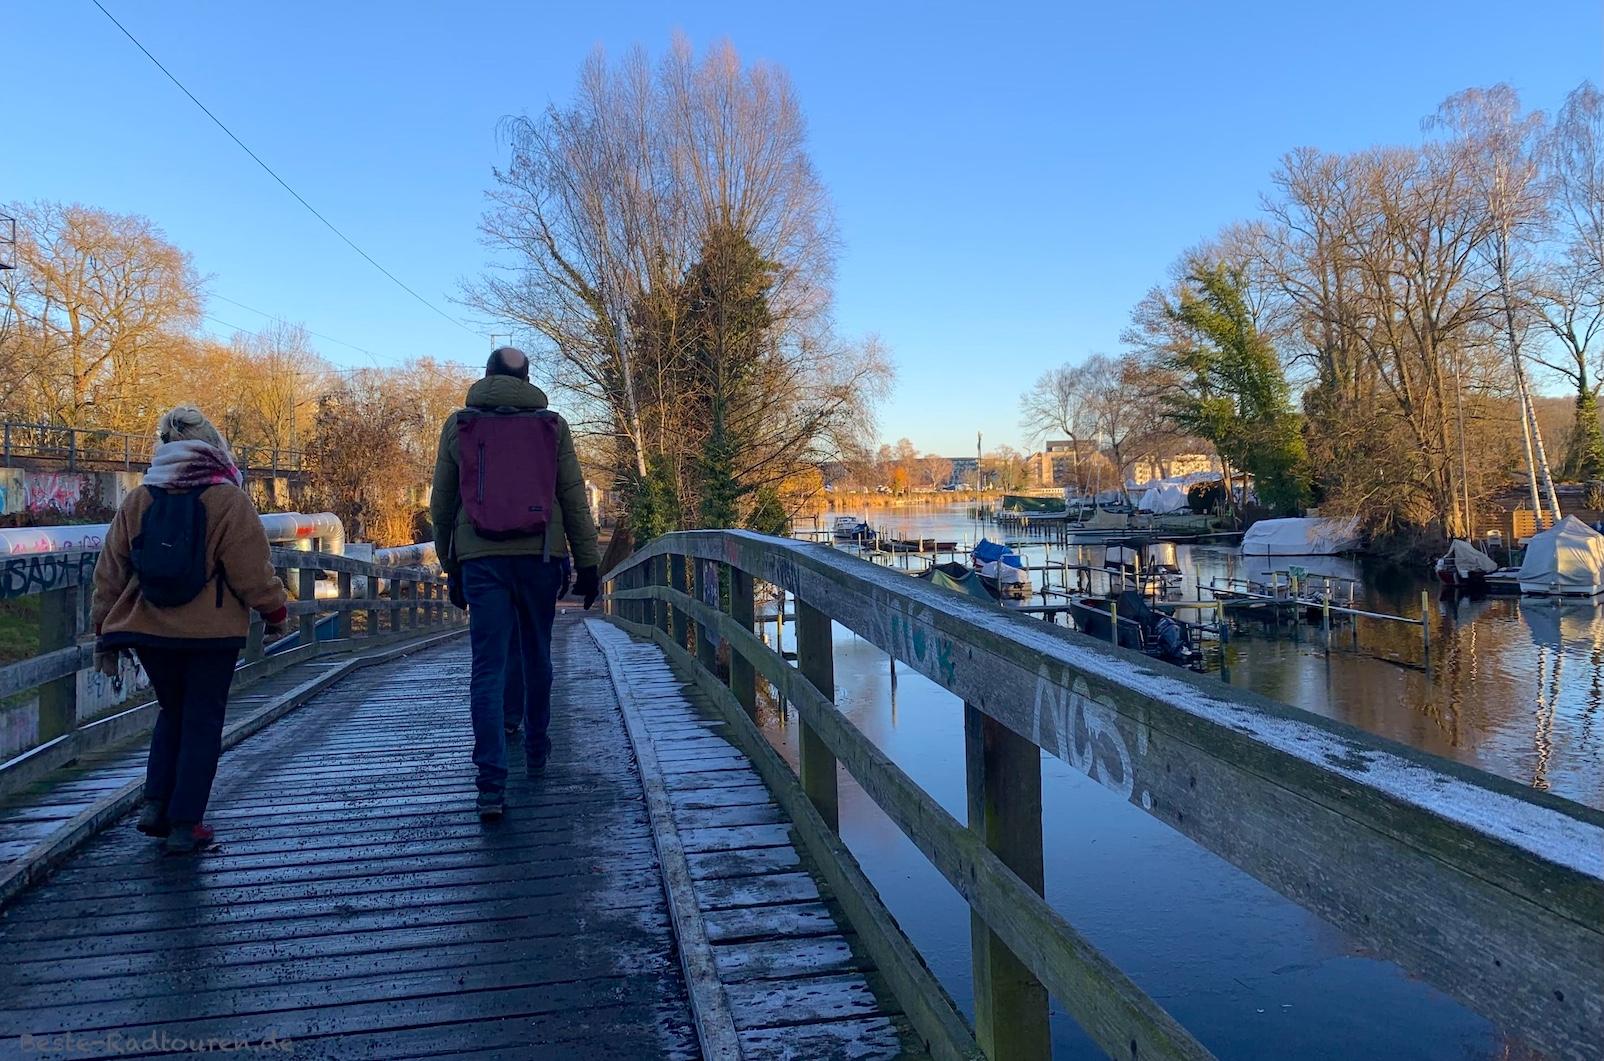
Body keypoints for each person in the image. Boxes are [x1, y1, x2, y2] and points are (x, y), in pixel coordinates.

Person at [91, 406, 290, 854]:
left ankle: (155, 803)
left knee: (172, 711)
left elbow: (109, 572)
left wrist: (102, 628)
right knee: (202, 720)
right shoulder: (227, 499)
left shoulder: (140, 498)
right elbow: (251, 571)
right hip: (210, 634)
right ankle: (186, 824)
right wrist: (276, 613)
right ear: (213, 444)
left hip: (149, 631)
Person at [431, 347, 600, 821]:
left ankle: (490, 785)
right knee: (537, 652)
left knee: (487, 667)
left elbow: (441, 504)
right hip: (539, 555)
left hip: (481, 558)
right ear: (527, 380)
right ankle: (539, 747)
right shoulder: (552, 425)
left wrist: (452, 564)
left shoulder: (459, 424)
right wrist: (589, 564)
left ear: (485, 376)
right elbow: (572, 497)